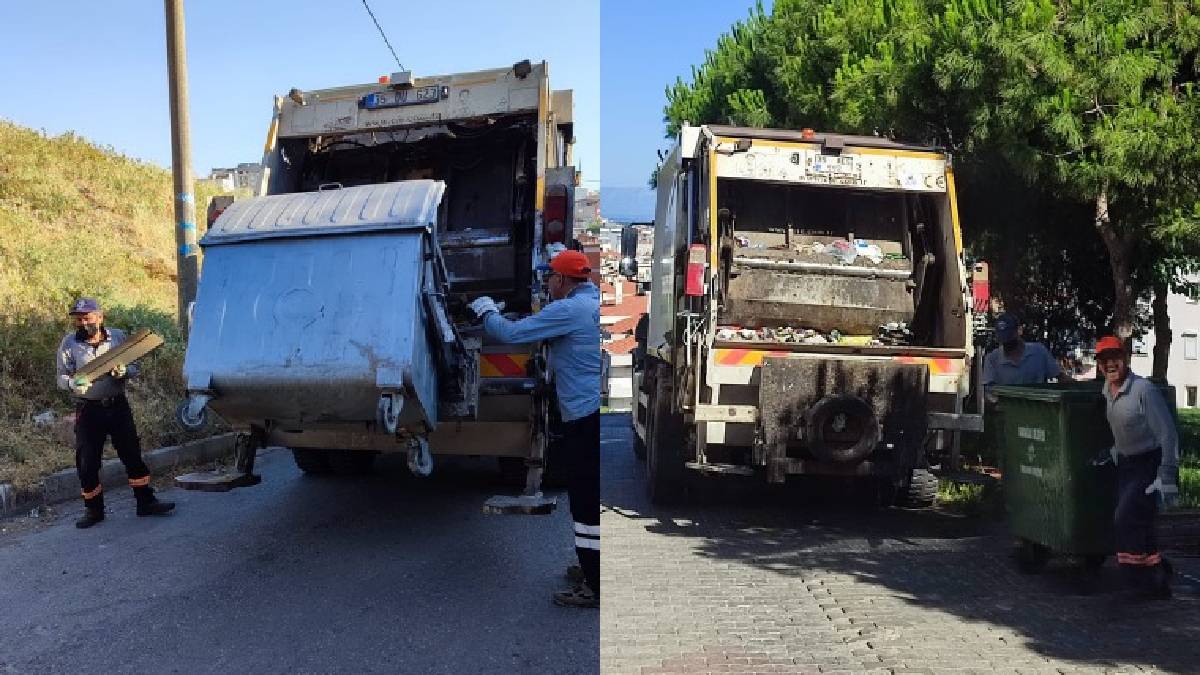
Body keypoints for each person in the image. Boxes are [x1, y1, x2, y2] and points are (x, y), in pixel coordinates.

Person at [469, 251, 600, 609]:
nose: (547, 285)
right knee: (586, 496)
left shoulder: (568, 310)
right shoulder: (590, 302)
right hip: (588, 412)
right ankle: (593, 570)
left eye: (549, 280)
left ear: (561, 280)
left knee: (585, 500)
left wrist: (486, 311)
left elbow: (510, 334)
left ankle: (594, 584)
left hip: (581, 417)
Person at [56, 298, 175, 529]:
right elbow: (61, 376)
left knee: (132, 455)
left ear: (100, 317)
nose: (82, 323)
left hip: (118, 406)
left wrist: (125, 372)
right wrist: (71, 383)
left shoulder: (118, 338)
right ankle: (94, 510)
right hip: (89, 410)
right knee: (87, 463)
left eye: (87, 317)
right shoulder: (68, 344)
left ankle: (146, 502)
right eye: (78, 319)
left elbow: (135, 367)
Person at [1095, 335, 1178, 600]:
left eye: (1115, 358)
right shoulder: (1107, 391)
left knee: (1125, 519)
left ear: (1125, 359)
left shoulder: (1143, 391)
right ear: (1099, 365)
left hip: (1149, 464)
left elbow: (1167, 433)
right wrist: (1112, 452)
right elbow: (1121, 429)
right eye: (1104, 360)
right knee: (1140, 522)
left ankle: (1138, 583)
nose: (1110, 364)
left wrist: (1166, 473)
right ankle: (1156, 577)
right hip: (1128, 465)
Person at [982, 313, 1071, 397]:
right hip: (1008, 410)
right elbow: (989, 394)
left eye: (1009, 336)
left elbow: (1061, 377)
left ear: (1019, 330)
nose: (1006, 341)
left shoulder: (1039, 352)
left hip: (1039, 408)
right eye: (1003, 338)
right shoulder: (992, 359)